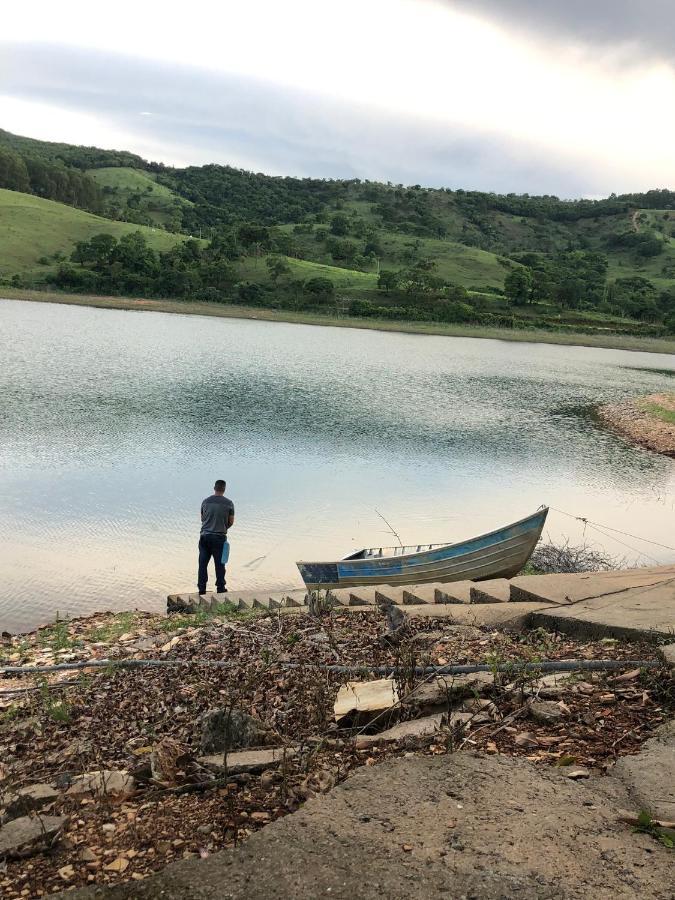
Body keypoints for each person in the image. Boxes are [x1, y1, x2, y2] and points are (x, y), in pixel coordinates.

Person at [198, 479, 235, 595]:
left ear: (214, 488)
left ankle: (202, 589)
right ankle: (220, 588)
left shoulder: (205, 501)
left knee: (202, 564)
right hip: (219, 537)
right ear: (224, 489)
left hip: (204, 536)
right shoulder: (229, 503)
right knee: (220, 564)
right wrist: (223, 528)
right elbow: (231, 522)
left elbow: (202, 518)